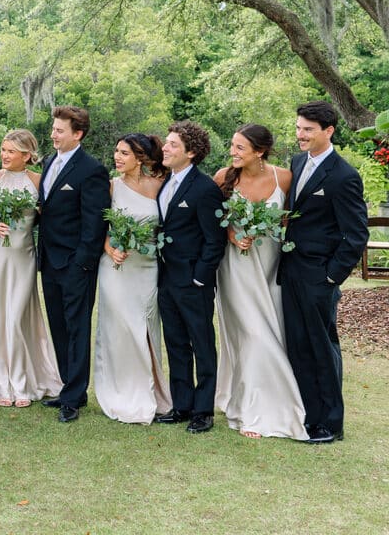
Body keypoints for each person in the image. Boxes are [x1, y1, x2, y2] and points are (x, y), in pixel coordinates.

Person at [281, 101, 368, 444]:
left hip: (319, 277)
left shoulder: (344, 176)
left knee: (322, 347)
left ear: (328, 131)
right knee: (298, 346)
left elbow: (357, 233)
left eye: (308, 130)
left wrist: (331, 277)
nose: (300, 135)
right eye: (299, 128)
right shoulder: (297, 162)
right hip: (290, 272)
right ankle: (308, 415)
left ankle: (331, 424)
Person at [211, 125, 307, 440]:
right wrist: (232, 234)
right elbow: (214, 222)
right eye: (233, 146)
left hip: (272, 264)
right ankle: (254, 408)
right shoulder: (223, 176)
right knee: (252, 333)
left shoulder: (284, 178)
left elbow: (289, 221)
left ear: (259, 151)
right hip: (235, 268)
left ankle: (268, 398)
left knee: (272, 330)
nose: (233, 153)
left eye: (240, 148)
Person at [0, 129, 61, 408]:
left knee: (17, 315)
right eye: (2, 149)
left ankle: (22, 380)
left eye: (11, 151)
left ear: (27, 155)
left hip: (23, 256)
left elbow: (47, 221)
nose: (4, 155)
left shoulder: (39, 182)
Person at [35, 105, 110, 423]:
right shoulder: (50, 161)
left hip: (75, 263)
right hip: (49, 260)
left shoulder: (91, 169)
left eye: (59, 130)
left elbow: (94, 223)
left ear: (77, 134)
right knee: (59, 326)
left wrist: (83, 262)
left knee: (77, 327)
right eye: (53, 129)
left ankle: (74, 398)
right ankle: (70, 388)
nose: (53, 134)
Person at [94, 134, 172, 424]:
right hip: (116, 268)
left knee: (144, 328)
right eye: (116, 151)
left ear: (140, 158)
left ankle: (150, 391)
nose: (117, 157)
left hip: (148, 268)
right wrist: (110, 249)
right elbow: (98, 225)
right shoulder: (111, 187)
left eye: (124, 153)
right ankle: (122, 391)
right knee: (120, 329)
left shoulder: (161, 188)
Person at [154, 121, 227, 434]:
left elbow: (215, 240)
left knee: (202, 344)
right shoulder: (164, 183)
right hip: (166, 279)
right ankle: (181, 405)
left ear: (191, 152)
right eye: (166, 143)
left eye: (172, 145)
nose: (165, 149)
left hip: (192, 282)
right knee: (176, 343)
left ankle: (203, 410)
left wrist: (200, 278)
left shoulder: (205, 189)